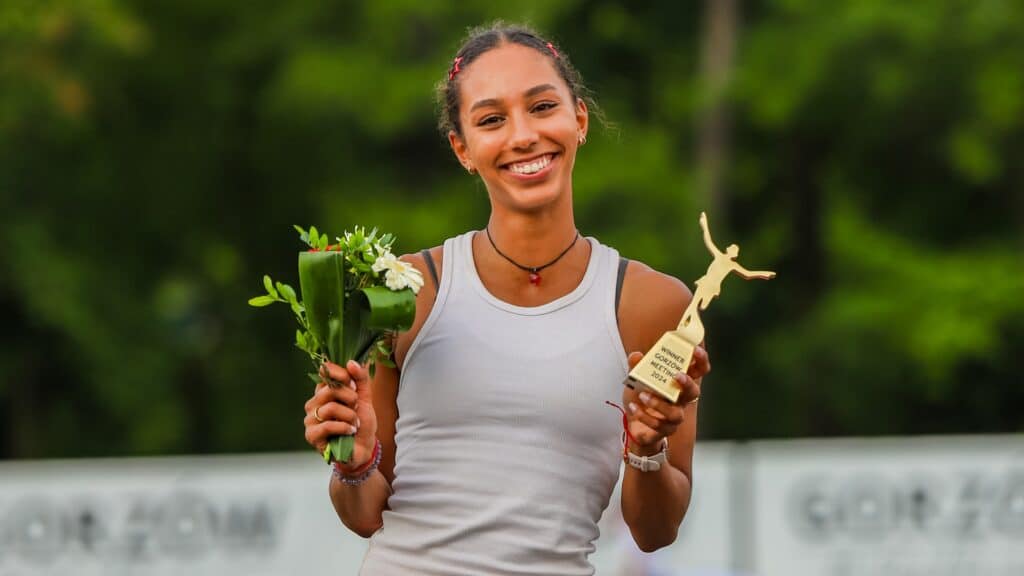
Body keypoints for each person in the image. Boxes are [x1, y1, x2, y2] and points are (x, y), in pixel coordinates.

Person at [302, 22, 711, 575]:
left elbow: (656, 531)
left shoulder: (652, 304)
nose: (522, 136)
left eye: (542, 107)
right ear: (463, 149)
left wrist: (646, 448)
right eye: (491, 120)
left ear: (579, 120)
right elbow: (367, 513)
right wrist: (351, 462)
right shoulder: (404, 290)